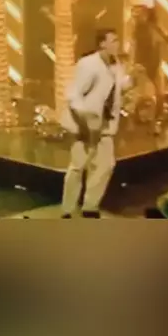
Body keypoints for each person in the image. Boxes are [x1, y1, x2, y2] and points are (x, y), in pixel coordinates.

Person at [60, 28, 130, 218]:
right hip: (83, 125)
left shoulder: (116, 65)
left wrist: (133, 79)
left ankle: (90, 206)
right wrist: (85, 118)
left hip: (105, 126)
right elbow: (74, 94)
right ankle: (67, 209)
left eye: (117, 40)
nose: (117, 44)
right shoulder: (88, 64)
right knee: (78, 166)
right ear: (102, 44)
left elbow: (119, 87)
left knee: (105, 165)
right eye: (113, 41)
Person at [132, 0, 168, 133]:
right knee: (147, 95)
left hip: (155, 64)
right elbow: (137, 47)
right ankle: (147, 119)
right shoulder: (139, 29)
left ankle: (157, 118)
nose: (141, 13)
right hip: (145, 65)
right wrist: (137, 64)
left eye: (144, 11)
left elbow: (164, 39)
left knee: (159, 94)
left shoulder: (155, 26)